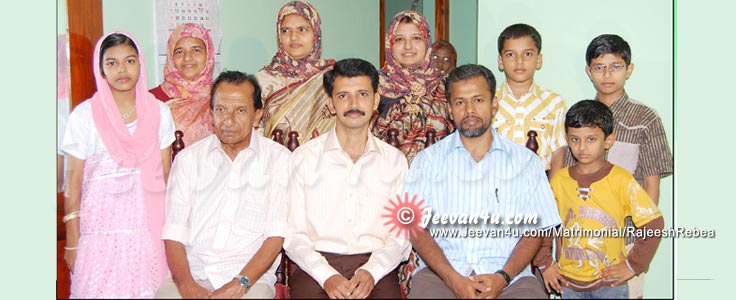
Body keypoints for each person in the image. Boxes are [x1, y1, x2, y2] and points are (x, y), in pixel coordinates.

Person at [405, 64, 561, 299]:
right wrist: (453, 278)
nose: (469, 110)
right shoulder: (428, 161)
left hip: (510, 278)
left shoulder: (526, 162)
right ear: (449, 109)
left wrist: (503, 277)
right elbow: (414, 228)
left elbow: (534, 231)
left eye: (478, 100)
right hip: (442, 275)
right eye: (460, 102)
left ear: (493, 104)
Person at [156, 71, 291, 299]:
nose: (228, 120)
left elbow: (276, 236)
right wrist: (187, 285)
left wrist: (241, 283)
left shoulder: (279, 160)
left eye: (240, 110)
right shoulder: (189, 160)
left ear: (257, 116)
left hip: (249, 280)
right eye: (221, 110)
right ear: (211, 114)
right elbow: (174, 233)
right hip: (193, 275)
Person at [61, 31, 175, 298]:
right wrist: (72, 239)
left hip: (149, 231)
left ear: (141, 64)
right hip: (99, 233)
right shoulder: (84, 116)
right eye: (111, 63)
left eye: (130, 61)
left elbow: (166, 175)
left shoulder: (160, 112)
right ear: (100, 69)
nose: (121, 70)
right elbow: (73, 182)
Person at [284, 58, 411, 299]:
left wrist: (372, 271)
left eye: (362, 94)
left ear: (375, 100)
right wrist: (326, 275)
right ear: (331, 104)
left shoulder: (395, 161)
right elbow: (293, 234)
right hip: (316, 265)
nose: (354, 104)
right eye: (343, 96)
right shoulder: (304, 158)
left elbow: (401, 234)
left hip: (376, 263)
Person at [564, 34, 673, 298]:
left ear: (629, 69)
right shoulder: (577, 118)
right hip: (581, 244)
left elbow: (650, 183)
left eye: (615, 66)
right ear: (589, 71)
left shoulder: (645, 118)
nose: (607, 74)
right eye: (599, 67)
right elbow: (568, 180)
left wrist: (635, 252)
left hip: (625, 242)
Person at [538, 100, 664, 299]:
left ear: (608, 140)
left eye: (591, 139)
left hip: (610, 283)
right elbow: (543, 224)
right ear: (567, 139)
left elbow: (654, 223)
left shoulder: (621, 179)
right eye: (575, 139)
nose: (582, 147)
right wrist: (545, 264)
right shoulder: (559, 180)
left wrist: (633, 266)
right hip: (569, 282)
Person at [372, 10, 454, 165]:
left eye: (416, 38)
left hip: (438, 179)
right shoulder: (374, 85)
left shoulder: (446, 85)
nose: (408, 46)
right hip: (384, 178)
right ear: (390, 43)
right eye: (399, 39)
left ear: (427, 41)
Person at [257, 0, 336, 144]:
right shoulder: (264, 79)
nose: (293, 37)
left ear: (315, 33)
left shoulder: (333, 76)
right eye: (285, 30)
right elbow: (256, 131)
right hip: (276, 161)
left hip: (325, 161)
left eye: (302, 29)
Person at [493, 23, 567, 176]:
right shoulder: (488, 101)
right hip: (496, 181)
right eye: (510, 55)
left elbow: (558, 153)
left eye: (527, 54)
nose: (519, 61)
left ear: (538, 60)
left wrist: (552, 194)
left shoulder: (554, 103)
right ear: (500, 61)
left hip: (539, 181)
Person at [150, 23, 215, 146]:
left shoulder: (220, 98)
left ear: (208, 55)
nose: (187, 58)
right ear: (171, 57)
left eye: (196, 50)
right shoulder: (151, 99)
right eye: (179, 52)